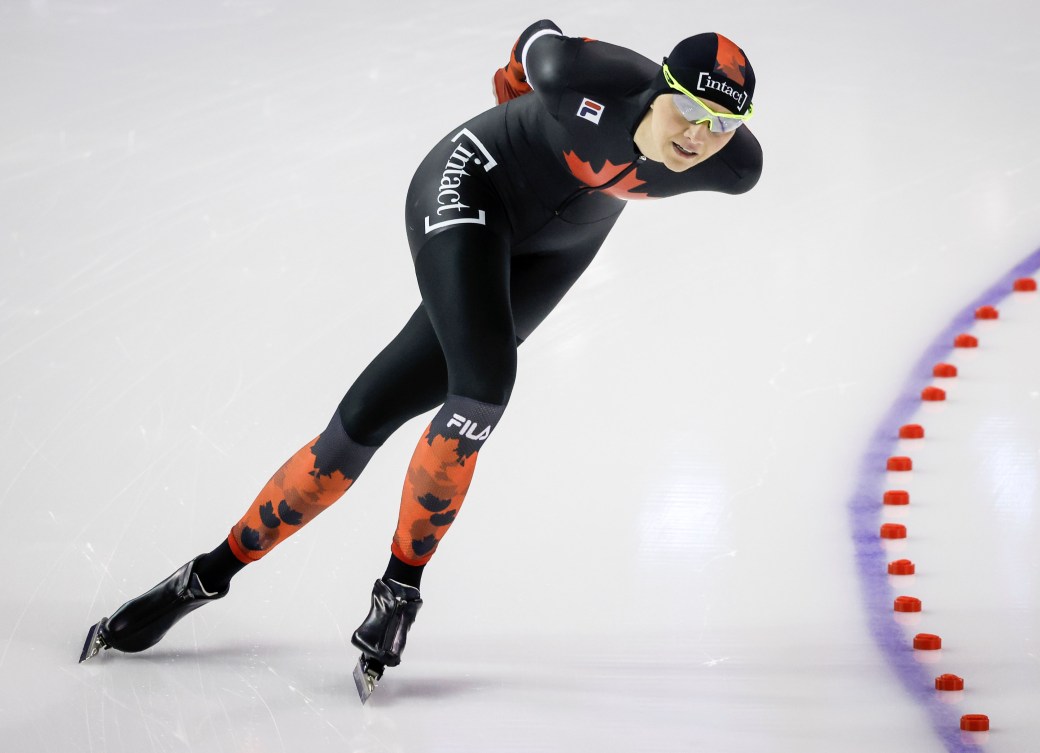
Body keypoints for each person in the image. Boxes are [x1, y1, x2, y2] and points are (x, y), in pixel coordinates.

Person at [79, 19, 763, 701]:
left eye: (723, 124)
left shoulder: (734, 167)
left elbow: (715, 147)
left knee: (366, 421)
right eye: (691, 111)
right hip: (469, 186)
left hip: (556, 250)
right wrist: (518, 92)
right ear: (659, 86)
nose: (699, 137)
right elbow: (538, 35)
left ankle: (202, 575)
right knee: (485, 381)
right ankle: (399, 589)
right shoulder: (579, 76)